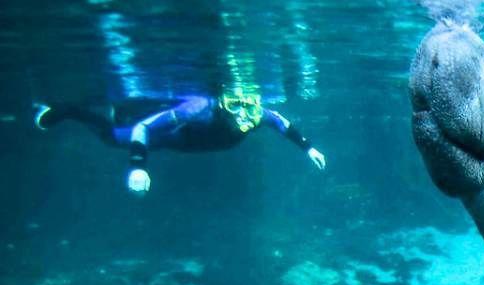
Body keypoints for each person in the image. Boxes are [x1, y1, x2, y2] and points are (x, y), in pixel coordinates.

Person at [34, 89, 326, 195]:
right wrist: (138, 166)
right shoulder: (198, 109)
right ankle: (69, 110)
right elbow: (144, 130)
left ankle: (111, 106)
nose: (244, 113)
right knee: (113, 136)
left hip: (185, 143)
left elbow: (284, 124)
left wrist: (309, 147)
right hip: (166, 137)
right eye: (234, 104)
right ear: (222, 102)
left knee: (121, 121)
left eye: (249, 105)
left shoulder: (258, 114)